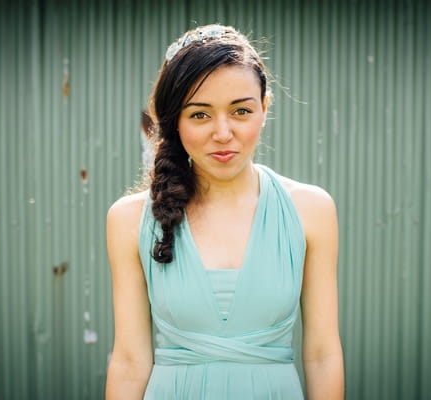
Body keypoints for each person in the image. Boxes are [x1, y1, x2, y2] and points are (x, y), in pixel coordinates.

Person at [105, 24, 344, 399]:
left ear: (264, 108)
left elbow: (322, 355)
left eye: (241, 111)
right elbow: (130, 361)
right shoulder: (129, 219)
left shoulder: (311, 210)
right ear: (174, 121)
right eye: (200, 115)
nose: (222, 132)